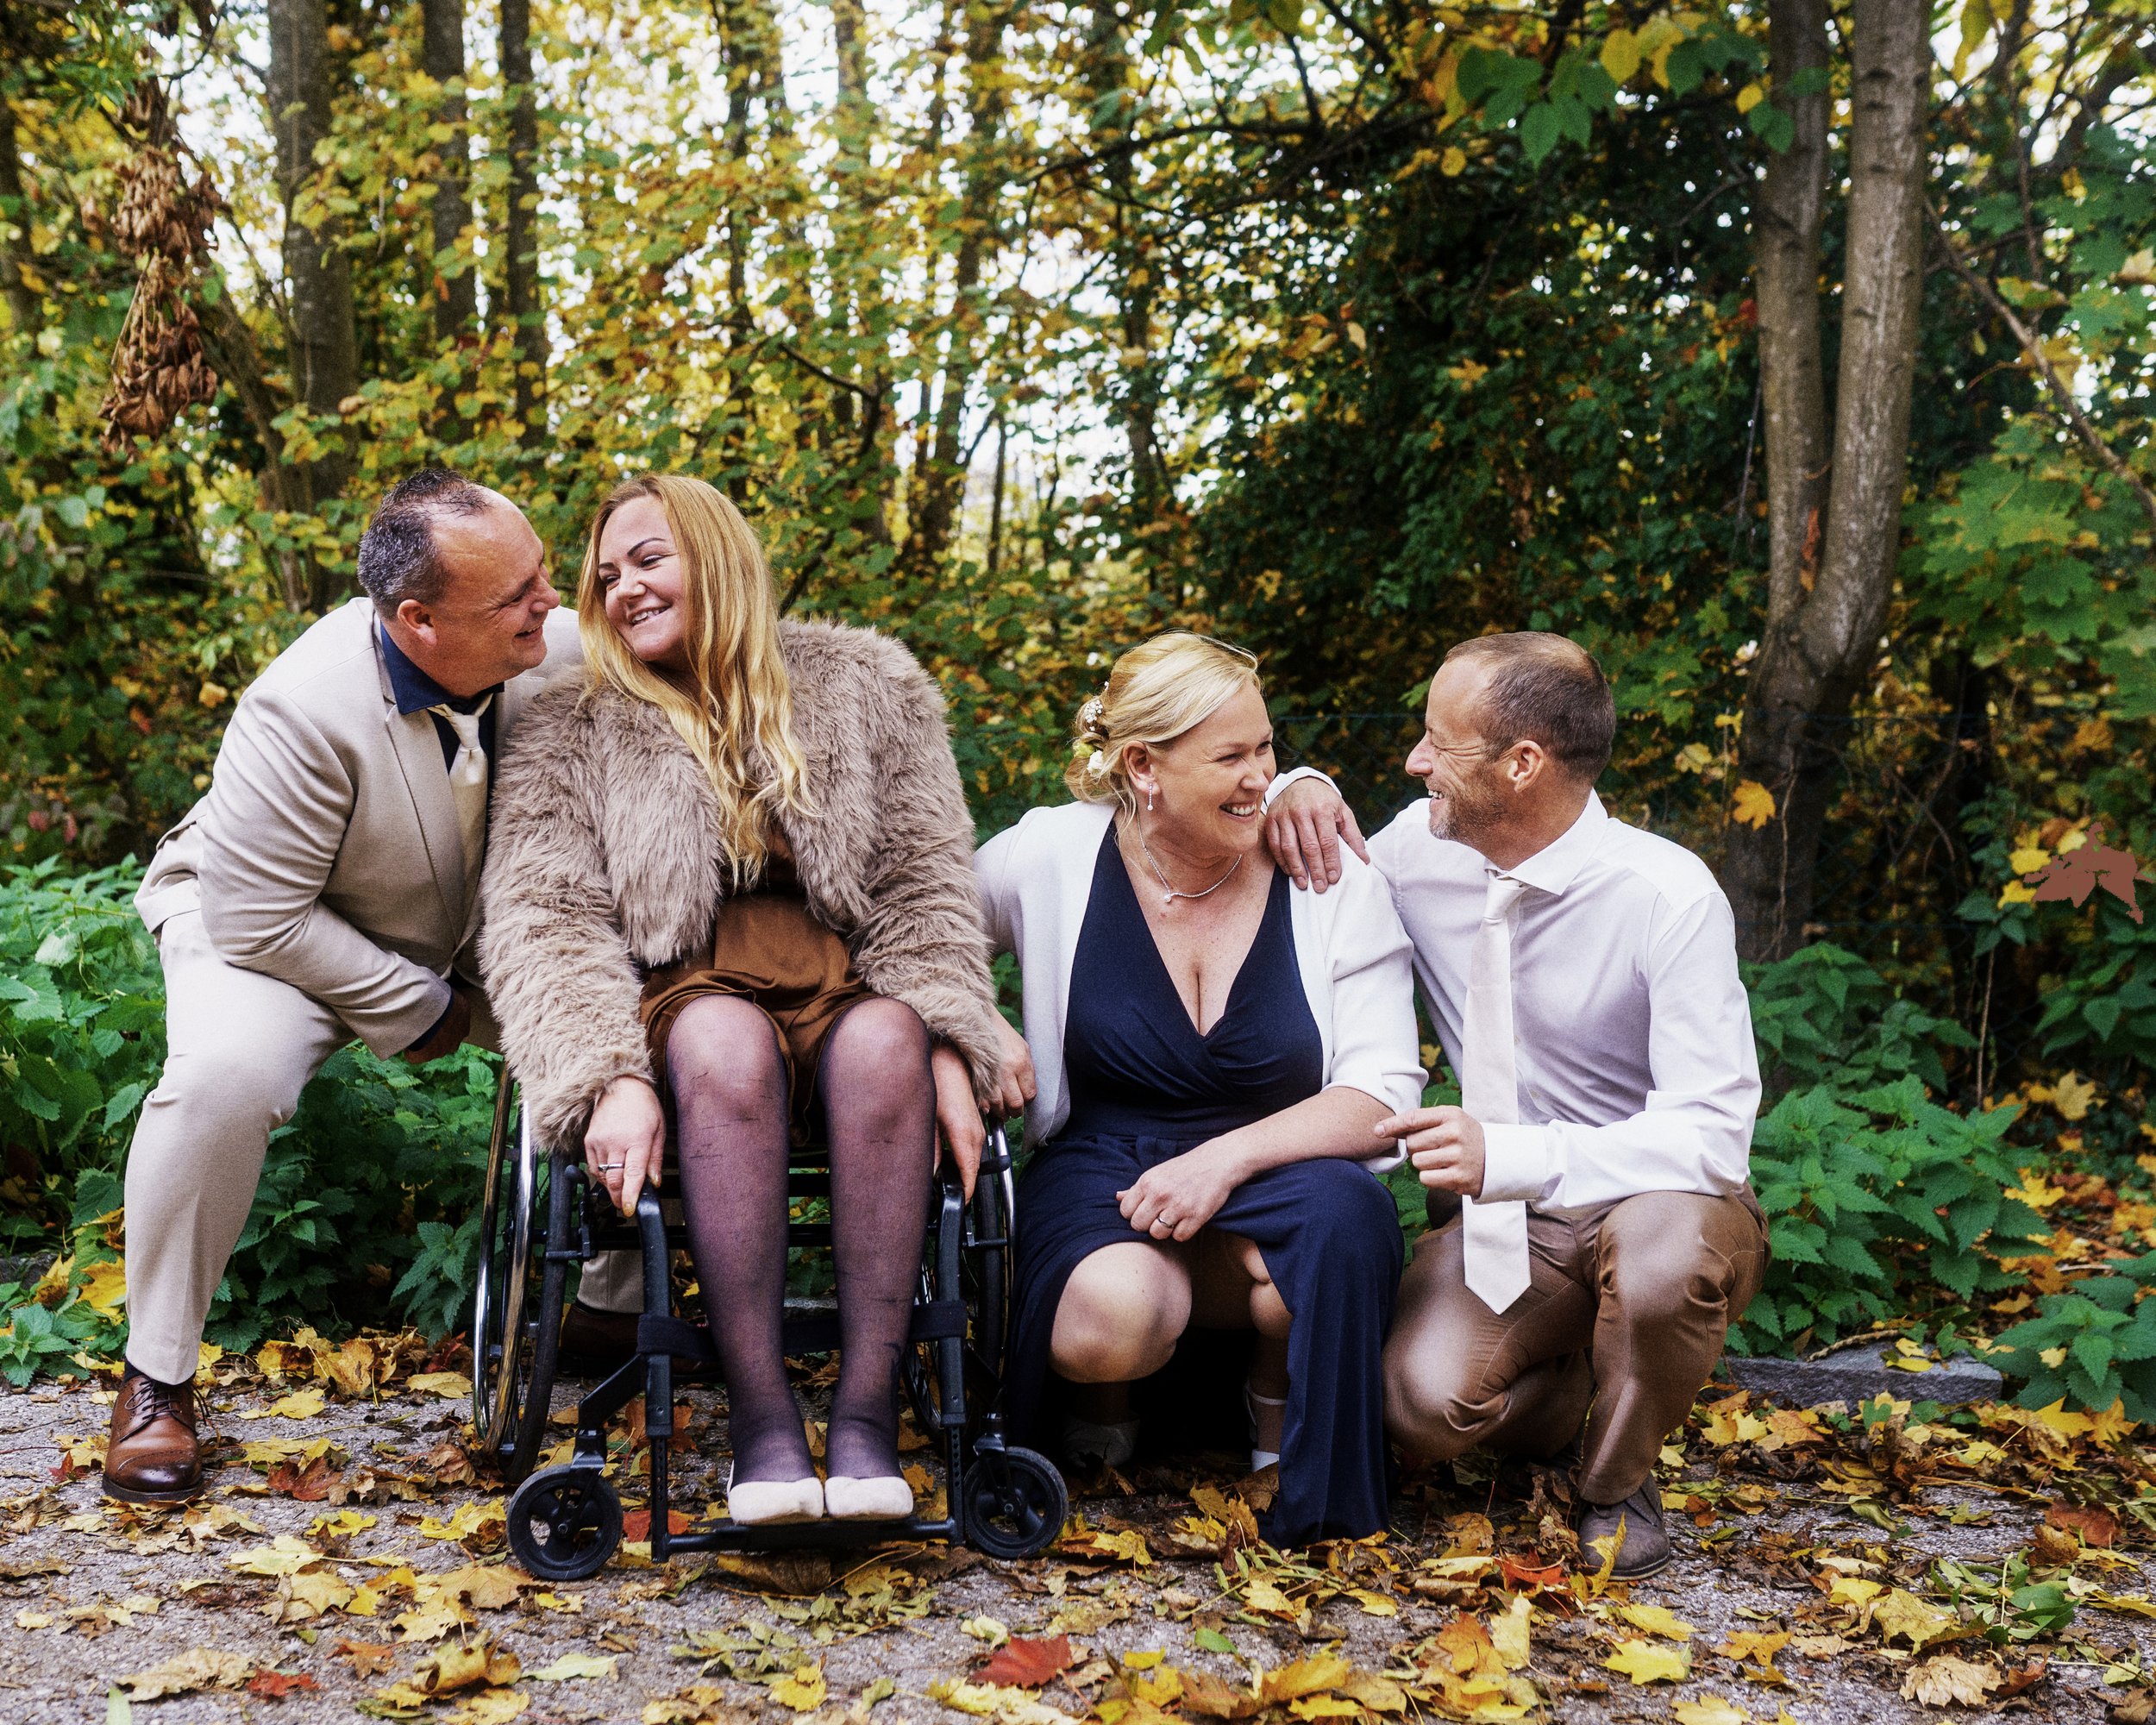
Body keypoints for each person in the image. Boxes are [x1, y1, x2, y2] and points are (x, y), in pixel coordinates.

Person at [479, 474, 1002, 1526]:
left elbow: (926, 882)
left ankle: (861, 1421)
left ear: (715, 555)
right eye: (607, 571)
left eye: (649, 558)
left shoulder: (866, 684)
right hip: (682, 999)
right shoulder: (571, 719)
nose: (622, 587)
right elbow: (542, 915)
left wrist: (952, 1028)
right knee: (721, 1039)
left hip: (843, 987)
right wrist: (604, 1077)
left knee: (890, 1037)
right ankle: (762, 1423)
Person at [104, 469, 597, 1505]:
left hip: (464, 918)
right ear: (417, 620)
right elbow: (256, 916)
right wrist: (430, 1011)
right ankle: (156, 1378)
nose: (549, 601)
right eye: (516, 592)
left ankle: (608, 1300)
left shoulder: (557, 652)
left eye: (542, 572)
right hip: (269, 919)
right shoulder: (299, 705)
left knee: (645, 1030)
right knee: (223, 1080)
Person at [1263, 631, 1767, 1579]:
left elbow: (1711, 1137)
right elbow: (1315, 854)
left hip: (1660, 1202)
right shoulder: (1419, 847)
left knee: (1659, 1267)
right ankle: (1581, 1383)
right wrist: (1298, 779)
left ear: (1521, 763)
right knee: (1416, 1402)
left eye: (1435, 743)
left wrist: (1517, 1153)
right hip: (1510, 1220)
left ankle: (1618, 1480)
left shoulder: (1667, 896)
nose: (1413, 764)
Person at [974, 632, 1424, 1545]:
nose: (1262, 773)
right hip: (1101, 1160)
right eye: (1232, 755)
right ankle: (1110, 1396)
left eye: (1267, 748)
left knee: (1343, 1220)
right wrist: (969, 1026)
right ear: (1143, 766)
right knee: (1115, 1315)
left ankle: (1282, 1431)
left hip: (1286, 1159)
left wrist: (1223, 1160)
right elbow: (918, 930)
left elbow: (1383, 1093)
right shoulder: (1051, 854)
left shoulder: (1324, 870)